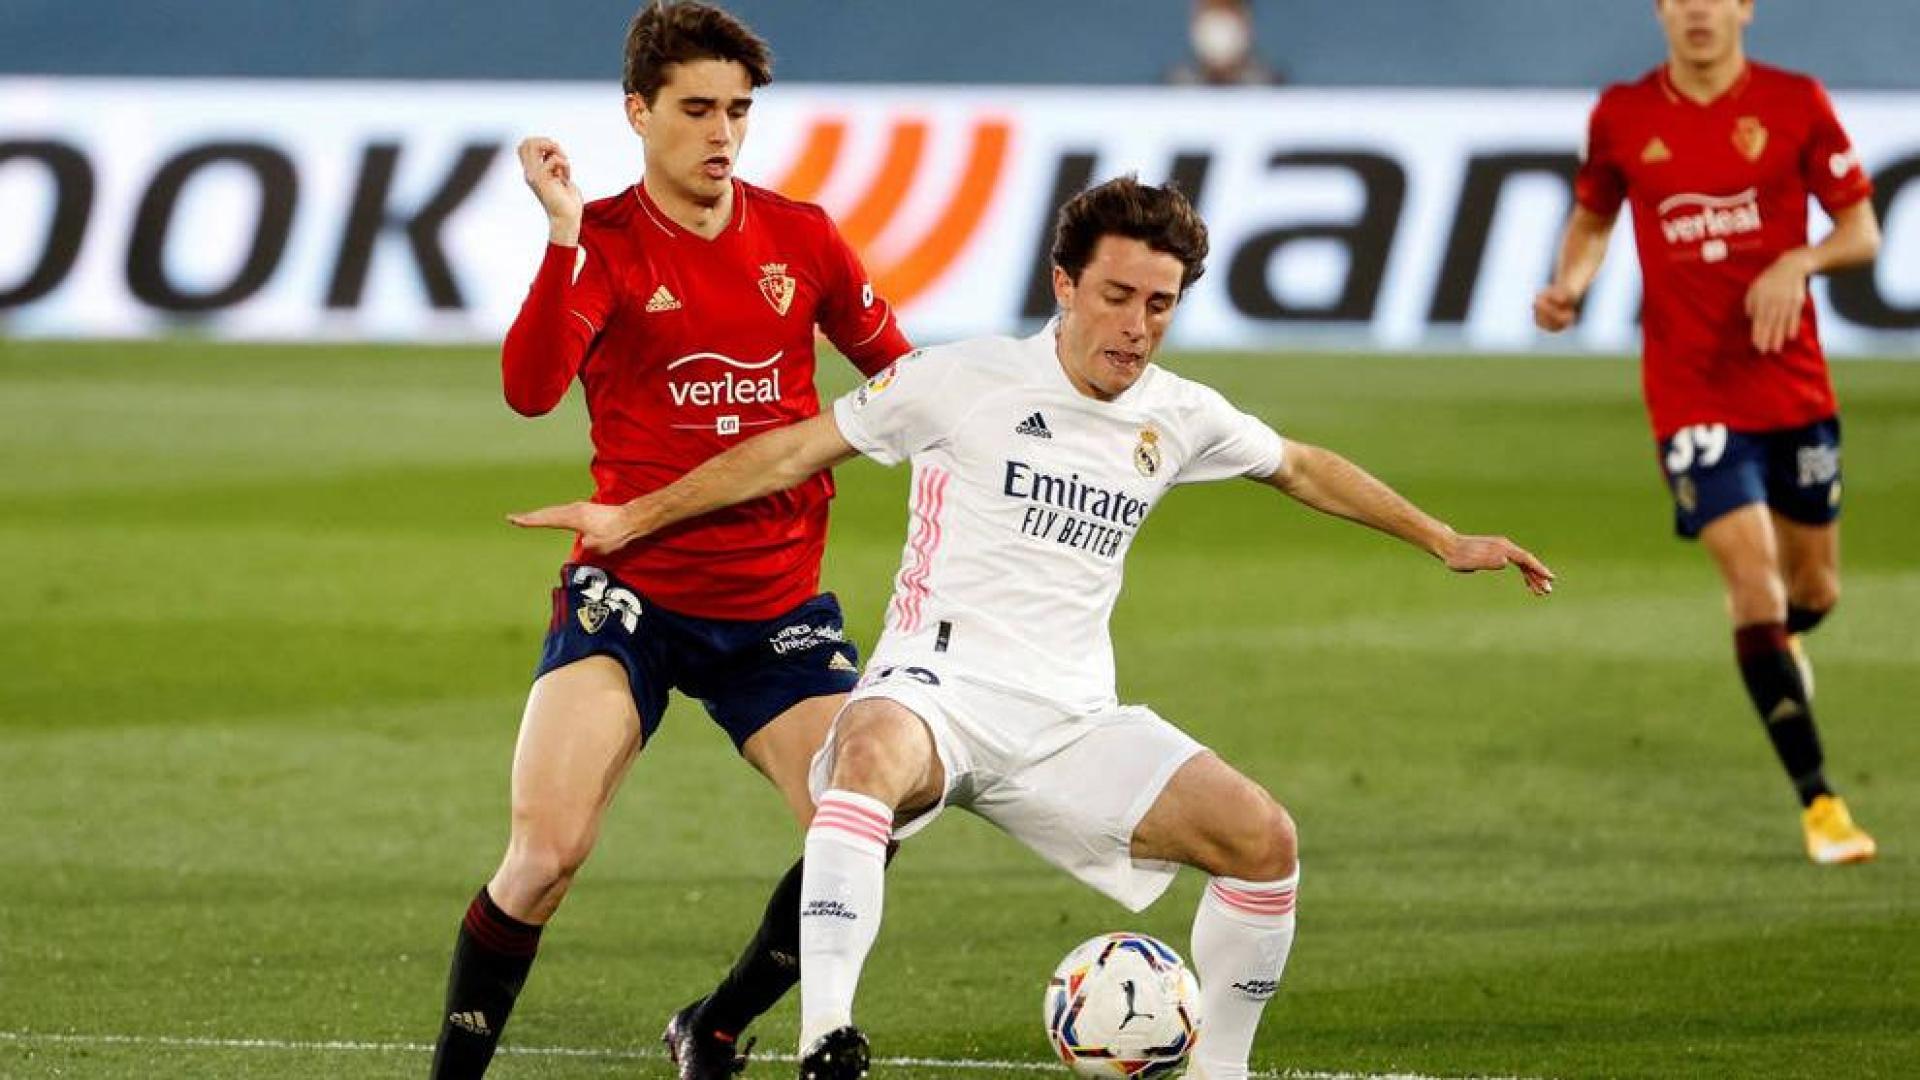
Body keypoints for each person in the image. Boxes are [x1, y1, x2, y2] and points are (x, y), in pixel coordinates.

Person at [513, 175, 1554, 1080]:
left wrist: (1442, 536)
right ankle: (826, 1037)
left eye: (1160, 305)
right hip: (935, 690)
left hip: (1069, 720)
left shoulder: (1178, 413)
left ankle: (1222, 1070)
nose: (1136, 327)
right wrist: (632, 517)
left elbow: (1300, 464)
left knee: (1263, 840)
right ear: (1063, 284)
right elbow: (787, 453)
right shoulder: (961, 381)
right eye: (1116, 297)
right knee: (866, 755)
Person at [427, 3, 914, 1076]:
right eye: (696, 110)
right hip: (630, 601)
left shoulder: (803, 238)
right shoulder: (601, 241)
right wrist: (559, 232)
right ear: (637, 112)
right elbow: (529, 391)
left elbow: (905, 381)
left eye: (738, 111)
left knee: (858, 831)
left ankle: (718, 1025)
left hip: (776, 609)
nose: (722, 134)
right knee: (545, 857)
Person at [1533, 0, 1880, 864]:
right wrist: (1569, 283)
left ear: (1743, 9)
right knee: (1753, 591)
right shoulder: (1623, 113)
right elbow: (1594, 217)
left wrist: (1799, 261)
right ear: (1661, 11)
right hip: (1690, 395)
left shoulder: (1796, 102)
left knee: (1816, 592)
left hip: (1794, 387)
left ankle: (1784, 645)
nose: (1696, 10)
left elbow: (1860, 230)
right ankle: (1822, 804)